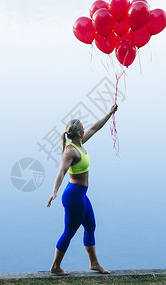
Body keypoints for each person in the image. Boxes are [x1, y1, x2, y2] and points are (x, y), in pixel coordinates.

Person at [47, 104, 118, 275]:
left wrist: (109, 113)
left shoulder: (80, 142)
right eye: (82, 126)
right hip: (73, 196)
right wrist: (54, 191)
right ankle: (55, 267)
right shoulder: (70, 151)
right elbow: (61, 172)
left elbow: (95, 127)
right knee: (69, 232)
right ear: (78, 132)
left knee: (91, 226)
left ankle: (94, 263)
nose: (85, 128)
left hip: (81, 195)